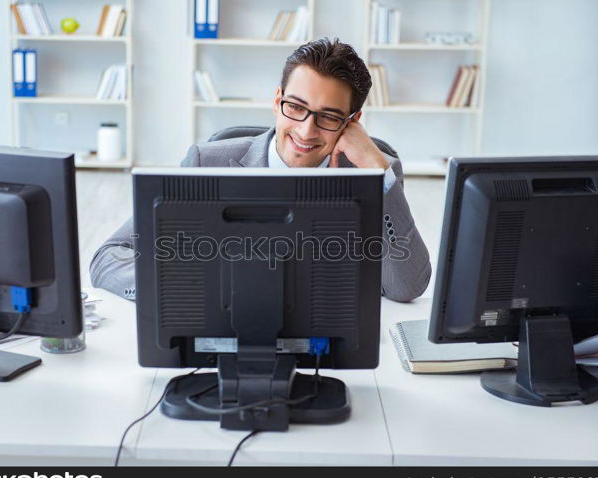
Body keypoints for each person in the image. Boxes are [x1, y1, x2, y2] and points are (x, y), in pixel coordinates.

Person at [90, 38, 431, 302]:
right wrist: (183, 284)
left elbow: (407, 287)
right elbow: (109, 257)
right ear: (277, 100)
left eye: (328, 117)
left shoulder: (377, 173)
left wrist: (377, 171)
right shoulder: (206, 163)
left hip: (329, 341)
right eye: (295, 107)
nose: (306, 131)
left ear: (353, 122)